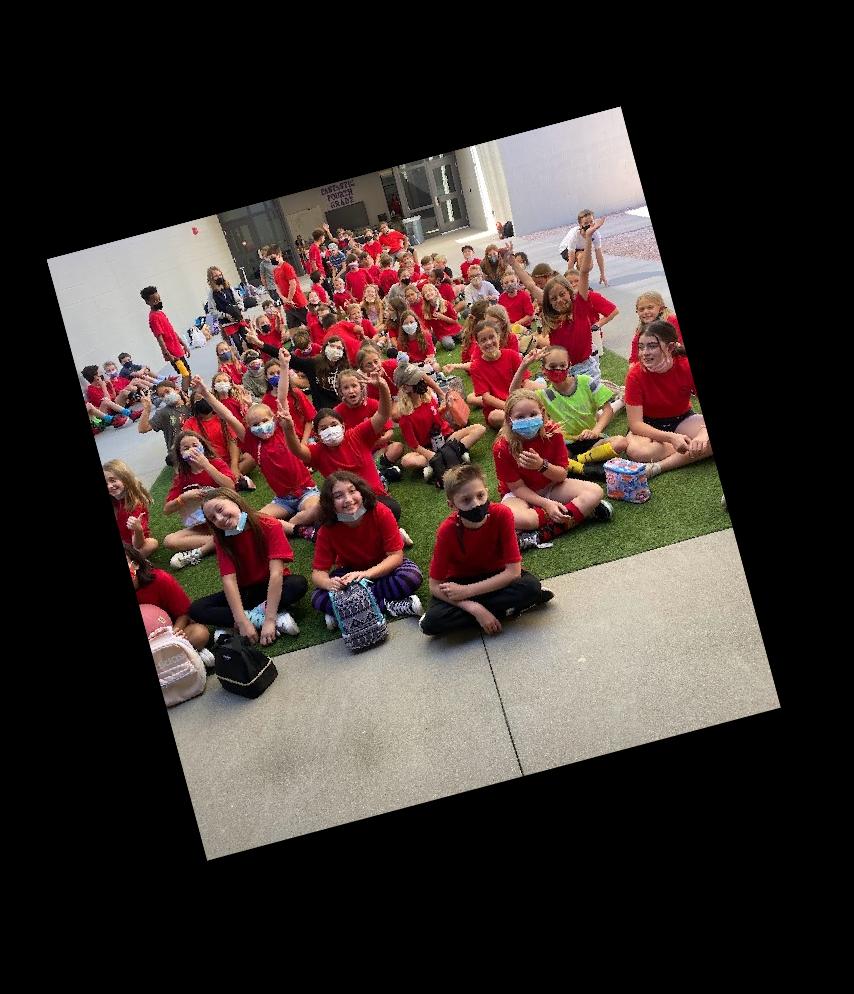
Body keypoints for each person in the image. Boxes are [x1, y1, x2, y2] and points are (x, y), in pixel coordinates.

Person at [418, 464, 553, 637]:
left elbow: (513, 573)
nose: (476, 504)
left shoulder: (502, 514)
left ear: (487, 492)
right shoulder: (447, 531)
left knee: (531, 587)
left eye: (480, 495)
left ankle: (495, 612)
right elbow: (435, 585)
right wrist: (474, 608)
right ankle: (507, 609)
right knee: (431, 623)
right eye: (466, 500)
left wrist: (468, 593)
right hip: (461, 582)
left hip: (495, 577)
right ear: (452, 505)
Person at [279, 358, 408, 531]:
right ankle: (292, 526)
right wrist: (288, 428)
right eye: (324, 428)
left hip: (372, 497)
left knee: (391, 510)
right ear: (318, 435)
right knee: (331, 520)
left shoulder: (357, 434)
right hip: (344, 505)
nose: (330, 430)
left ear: (343, 426)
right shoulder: (318, 452)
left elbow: (383, 415)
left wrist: (383, 387)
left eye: (333, 425)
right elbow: (296, 449)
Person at [190, 373, 322, 539]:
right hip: (283, 500)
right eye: (255, 424)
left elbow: (282, 397)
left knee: (316, 509)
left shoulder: (281, 430)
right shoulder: (251, 442)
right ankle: (299, 529)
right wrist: (205, 393)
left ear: (273, 419)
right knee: (255, 520)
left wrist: (284, 365)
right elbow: (227, 416)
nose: (261, 426)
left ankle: (290, 525)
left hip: (306, 492)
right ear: (249, 427)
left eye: (265, 421)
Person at [493, 388, 613, 549]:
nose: (528, 420)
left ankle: (538, 535)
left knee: (595, 492)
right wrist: (547, 505)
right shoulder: (502, 447)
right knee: (516, 518)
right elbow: (517, 487)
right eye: (520, 417)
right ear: (509, 419)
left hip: (551, 486)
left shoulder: (553, 433)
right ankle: (578, 513)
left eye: (533, 414)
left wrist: (541, 466)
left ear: (542, 413)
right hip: (519, 496)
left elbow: (561, 475)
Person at [188, 488, 308, 645]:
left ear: (235, 500)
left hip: (272, 586)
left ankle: (253, 619)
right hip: (245, 592)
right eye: (213, 519)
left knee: (297, 584)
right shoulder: (221, 539)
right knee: (197, 609)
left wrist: (270, 620)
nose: (220, 518)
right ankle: (260, 617)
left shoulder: (269, 525)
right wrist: (242, 621)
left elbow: (276, 574)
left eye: (220, 509)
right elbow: (229, 581)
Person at [310, 472, 423, 630]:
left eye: (352, 491)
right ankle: (388, 605)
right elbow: (318, 573)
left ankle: (344, 610)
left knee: (411, 576)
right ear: (330, 503)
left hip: (383, 567)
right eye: (338, 496)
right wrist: (329, 584)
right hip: (350, 573)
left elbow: (396, 557)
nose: (348, 499)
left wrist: (366, 574)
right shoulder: (327, 529)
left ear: (361, 492)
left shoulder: (380, 511)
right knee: (317, 598)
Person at [505, 221, 604, 388]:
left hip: (587, 369)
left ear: (570, 292)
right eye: (553, 298)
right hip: (561, 371)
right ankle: (541, 380)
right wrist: (513, 263)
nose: (558, 300)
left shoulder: (579, 306)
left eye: (562, 294)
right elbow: (530, 285)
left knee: (591, 401)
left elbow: (584, 270)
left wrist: (588, 239)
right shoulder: (551, 313)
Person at [508, 345, 629, 478]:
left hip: (592, 439)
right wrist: (524, 365)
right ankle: (585, 465)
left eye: (562, 365)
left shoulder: (585, 382)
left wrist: (595, 431)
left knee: (621, 442)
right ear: (543, 370)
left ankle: (577, 463)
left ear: (569, 366)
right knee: (549, 456)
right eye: (552, 366)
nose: (558, 370)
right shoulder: (545, 395)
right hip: (565, 445)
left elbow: (607, 410)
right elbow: (514, 395)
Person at [622, 321, 711, 476]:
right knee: (639, 452)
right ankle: (695, 448)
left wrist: (703, 434)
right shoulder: (635, 375)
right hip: (648, 424)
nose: (644, 353)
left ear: (670, 347)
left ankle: (658, 467)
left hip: (682, 419)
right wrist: (671, 438)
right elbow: (636, 424)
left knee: (705, 437)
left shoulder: (686, 366)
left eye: (652, 346)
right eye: (641, 347)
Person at [393, 363, 486, 482]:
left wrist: (446, 407)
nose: (422, 382)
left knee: (479, 429)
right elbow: (414, 445)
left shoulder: (428, 399)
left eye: (421, 378)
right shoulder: (405, 417)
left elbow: (436, 417)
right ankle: (454, 454)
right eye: (416, 380)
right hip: (428, 448)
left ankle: (439, 461)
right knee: (407, 461)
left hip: (445, 438)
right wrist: (431, 455)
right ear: (405, 388)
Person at [126, 544, 214, 666]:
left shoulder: (159, 579)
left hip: (172, 633)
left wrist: (174, 634)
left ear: (135, 564)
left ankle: (184, 655)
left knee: (199, 634)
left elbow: (184, 613)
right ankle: (184, 657)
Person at [163, 431, 237, 569]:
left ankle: (202, 550)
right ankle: (222, 541)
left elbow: (231, 486)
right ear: (180, 454)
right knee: (169, 541)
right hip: (203, 525)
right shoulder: (182, 477)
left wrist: (207, 465)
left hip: (225, 516)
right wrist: (183, 498)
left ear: (202, 446)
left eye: (195, 445)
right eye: (186, 448)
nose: (192, 450)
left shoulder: (216, 463)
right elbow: (167, 509)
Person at [183, 388, 255, 487]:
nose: (203, 401)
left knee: (250, 458)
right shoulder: (190, 423)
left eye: (205, 398)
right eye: (198, 399)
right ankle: (232, 481)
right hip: (207, 466)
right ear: (193, 404)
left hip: (228, 463)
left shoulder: (222, 418)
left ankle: (227, 480)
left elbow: (233, 441)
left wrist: (234, 466)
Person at [468, 320, 527, 428]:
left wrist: (521, 403)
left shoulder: (512, 355)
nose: (489, 342)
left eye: (492, 337)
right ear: (478, 344)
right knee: (494, 416)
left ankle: (522, 420)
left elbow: (524, 382)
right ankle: (523, 421)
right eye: (483, 340)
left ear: (498, 336)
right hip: (498, 409)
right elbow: (486, 397)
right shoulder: (476, 367)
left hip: (518, 400)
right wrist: (509, 408)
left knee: (535, 386)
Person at [140, 285, 192, 391]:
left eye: (159, 299)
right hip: (172, 352)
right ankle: (184, 394)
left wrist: (183, 344)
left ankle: (188, 392)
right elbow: (159, 337)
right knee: (185, 374)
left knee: (187, 372)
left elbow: (172, 331)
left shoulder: (161, 313)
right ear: (148, 302)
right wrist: (167, 353)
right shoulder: (153, 317)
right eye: (154, 301)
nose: (158, 302)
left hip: (178, 349)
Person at [103, 459, 159, 558]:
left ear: (125, 478)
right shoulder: (115, 501)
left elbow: (138, 545)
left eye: (113, 480)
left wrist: (137, 529)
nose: (109, 486)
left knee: (151, 543)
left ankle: (132, 560)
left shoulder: (136, 505)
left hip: (136, 545)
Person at [137, 381, 193, 464]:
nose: (166, 396)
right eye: (162, 396)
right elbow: (142, 429)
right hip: (179, 454)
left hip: (196, 445)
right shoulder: (163, 413)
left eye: (167, 392)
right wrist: (147, 409)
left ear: (176, 389)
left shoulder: (190, 404)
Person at [629, 291, 683, 364]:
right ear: (637, 312)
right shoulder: (640, 330)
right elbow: (634, 359)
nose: (645, 312)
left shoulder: (672, 321)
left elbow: (680, 345)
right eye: (641, 309)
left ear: (661, 309)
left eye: (650, 307)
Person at [205, 266, 249, 354]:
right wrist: (225, 315)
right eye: (216, 276)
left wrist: (239, 309)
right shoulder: (212, 293)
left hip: (238, 319)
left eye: (220, 275)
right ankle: (242, 358)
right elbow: (212, 310)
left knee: (248, 339)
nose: (219, 277)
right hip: (227, 323)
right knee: (237, 344)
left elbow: (239, 300)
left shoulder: (229, 287)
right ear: (211, 278)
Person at [559, 208, 608, 285]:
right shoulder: (575, 235)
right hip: (566, 249)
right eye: (586, 223)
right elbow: (571, 260)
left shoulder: (596, 234)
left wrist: (602, 274)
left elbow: (599, 255)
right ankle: (576, 281)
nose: (589, 225)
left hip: (581, 249)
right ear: (580, 225)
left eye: (591, 222)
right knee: (582, 257)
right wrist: (570, 281)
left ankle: (579, 280)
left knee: (588, 265)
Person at [270, 246, 308, 328]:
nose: (271, 260)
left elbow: (293, 284)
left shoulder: (287, 267)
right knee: (292, 328)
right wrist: (283, 298)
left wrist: (289, 299)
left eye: (273, 257)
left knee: (309, 323)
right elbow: (277, 286)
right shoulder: (275, 270)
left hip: (297, 301)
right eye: (270, 258)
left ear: (279, 255)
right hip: (287, 305)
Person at [420, 282, 462, 350]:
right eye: (425, 292)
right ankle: (451, 340)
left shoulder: (446, 304)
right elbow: (427, 328)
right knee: (449, 345)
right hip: (443, 334)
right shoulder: (426, 310)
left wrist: (442, 317)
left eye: (430, 290)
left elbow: (455, 321)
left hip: (454, 329)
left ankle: (455, 338)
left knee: (467, 338)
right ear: (424, 297)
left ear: (436, 292)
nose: (428, 293)